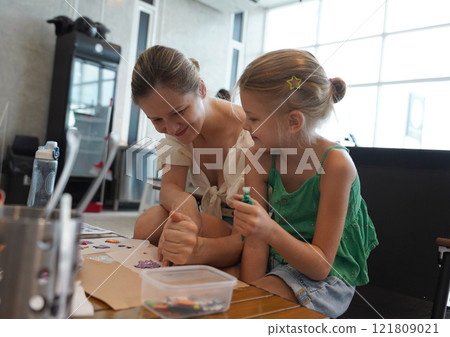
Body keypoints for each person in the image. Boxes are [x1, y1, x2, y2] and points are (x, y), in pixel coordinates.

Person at [231, 49, 378, 318]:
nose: (244, 126)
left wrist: (267, 229)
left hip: (328, 277)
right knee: (233, 296)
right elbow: (254, 242)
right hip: (278, 260)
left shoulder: (335, 165)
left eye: (252, 118)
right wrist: (249, 292)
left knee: (248, 308)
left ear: (293, 121)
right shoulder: (258, 157)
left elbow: (320, 265)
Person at [132, 45, 253, 267]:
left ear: (202, 89)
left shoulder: (249, 129)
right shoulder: (178, 132)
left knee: (177, 240)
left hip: (252, 232)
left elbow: (258, 222)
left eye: (178, 112)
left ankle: (201, 255)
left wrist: (192, 239)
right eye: (156, 120)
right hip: (216, 222)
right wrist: (185, 204)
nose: (171, 128)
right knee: (148, 223)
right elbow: (169, 188)